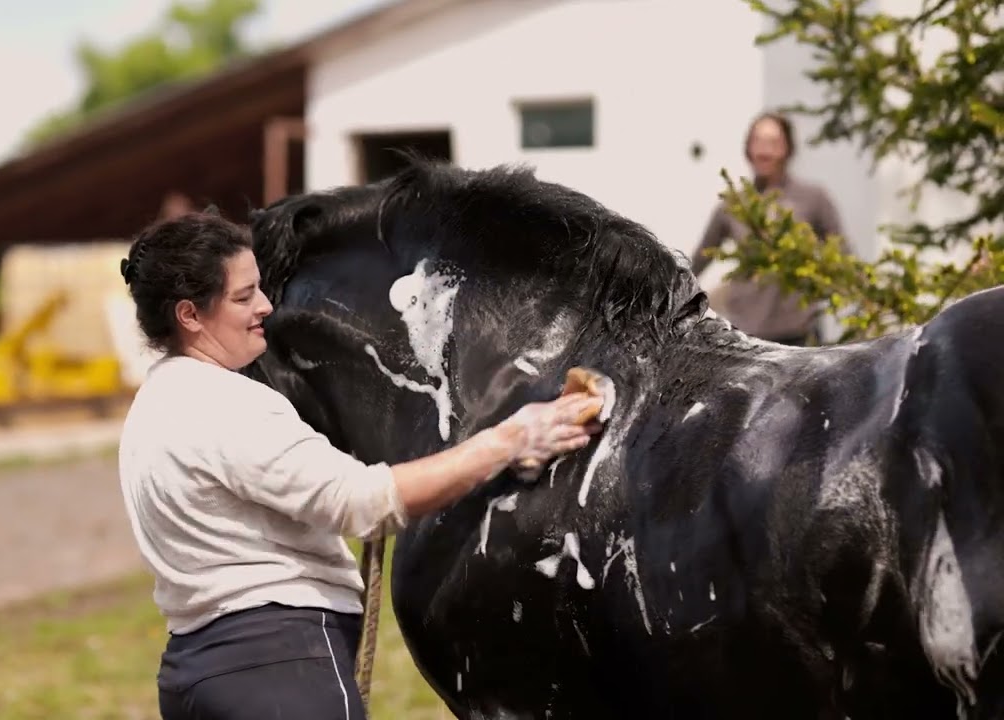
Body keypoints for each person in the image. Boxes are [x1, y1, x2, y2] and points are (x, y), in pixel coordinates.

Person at [116, 208, 605, 720]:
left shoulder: (153, 406)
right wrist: (510, 439)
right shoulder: (229, 403)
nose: (264, 306)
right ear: (189, 315)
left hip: (194, 676)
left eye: (259, 288)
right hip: (279, 673)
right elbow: (363, 503)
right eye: (243, 297)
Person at [690, 111, 851, 346]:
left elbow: (843, 255)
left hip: (799, 333)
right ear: (748, 149)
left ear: (788, 148)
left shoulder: (814, 198)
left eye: (773, 143)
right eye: (758, 142)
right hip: (745, 335)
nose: (764, 151)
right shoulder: (733, 205)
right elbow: (699, 261)